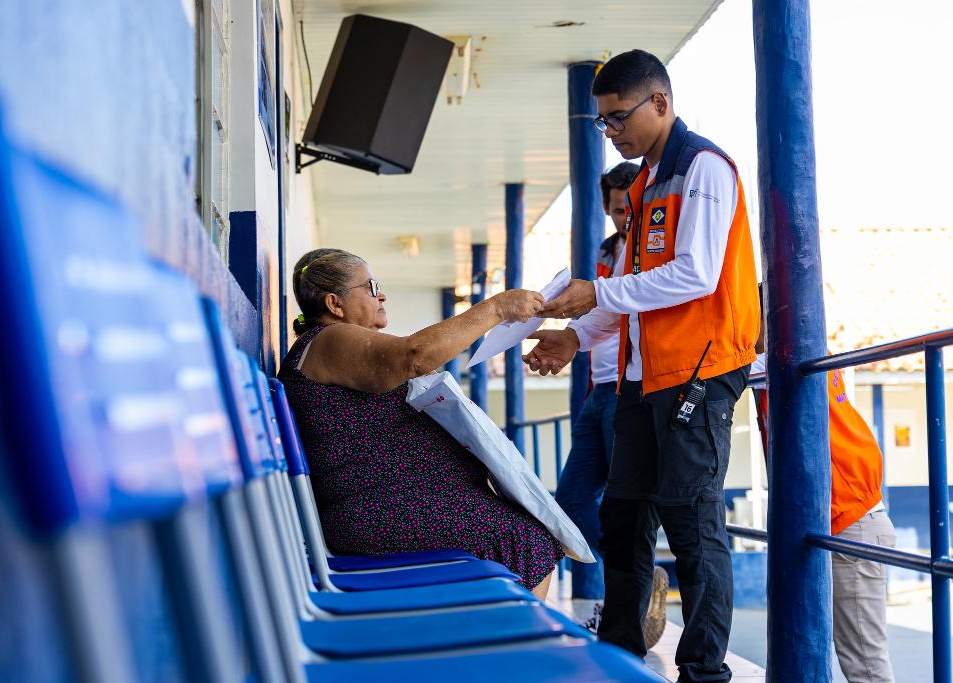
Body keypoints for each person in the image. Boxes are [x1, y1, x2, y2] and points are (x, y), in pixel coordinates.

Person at [524, 49, 759, 682]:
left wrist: (595, 295)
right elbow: (630, 282)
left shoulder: (702, 168)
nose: (611, 133)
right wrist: (576, 338)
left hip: (697, 377)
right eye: (602, 122)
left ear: (660, 103)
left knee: (692, 525)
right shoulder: (644, 183)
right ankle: (621, 647)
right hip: (639, 378)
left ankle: (704, 671)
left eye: (617, 118)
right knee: (623, 516)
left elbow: (694, 275)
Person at [277, 248, 564, 598]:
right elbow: (415, 355)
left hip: (389, 505)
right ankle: (516, 645)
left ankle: (507, 639)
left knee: (527, 533)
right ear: (335, 304)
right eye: (371, 286)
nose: (381, 294)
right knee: (520, 540)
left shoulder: (340, 346)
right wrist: (497, 308)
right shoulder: (328, 339)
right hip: (372, 513)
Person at [554, 161, 669, 648]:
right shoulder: (610, 251)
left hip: (629, 388)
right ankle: (640, 580)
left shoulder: (652, 250)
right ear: (607, 208)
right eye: (619, 209)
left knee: (624, 509)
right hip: (597, 391)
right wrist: (564, 331)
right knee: (571, 503)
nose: (625, 216)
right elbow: (599, 312)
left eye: (631, 207)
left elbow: (636, 308)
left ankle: (627, 593)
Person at [752, 355, 896, 683]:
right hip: (835, 520)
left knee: (864, 660)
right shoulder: (784, 362)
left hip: (851, 521)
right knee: (826, 646)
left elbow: (731, 364)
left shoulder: (788, 358)